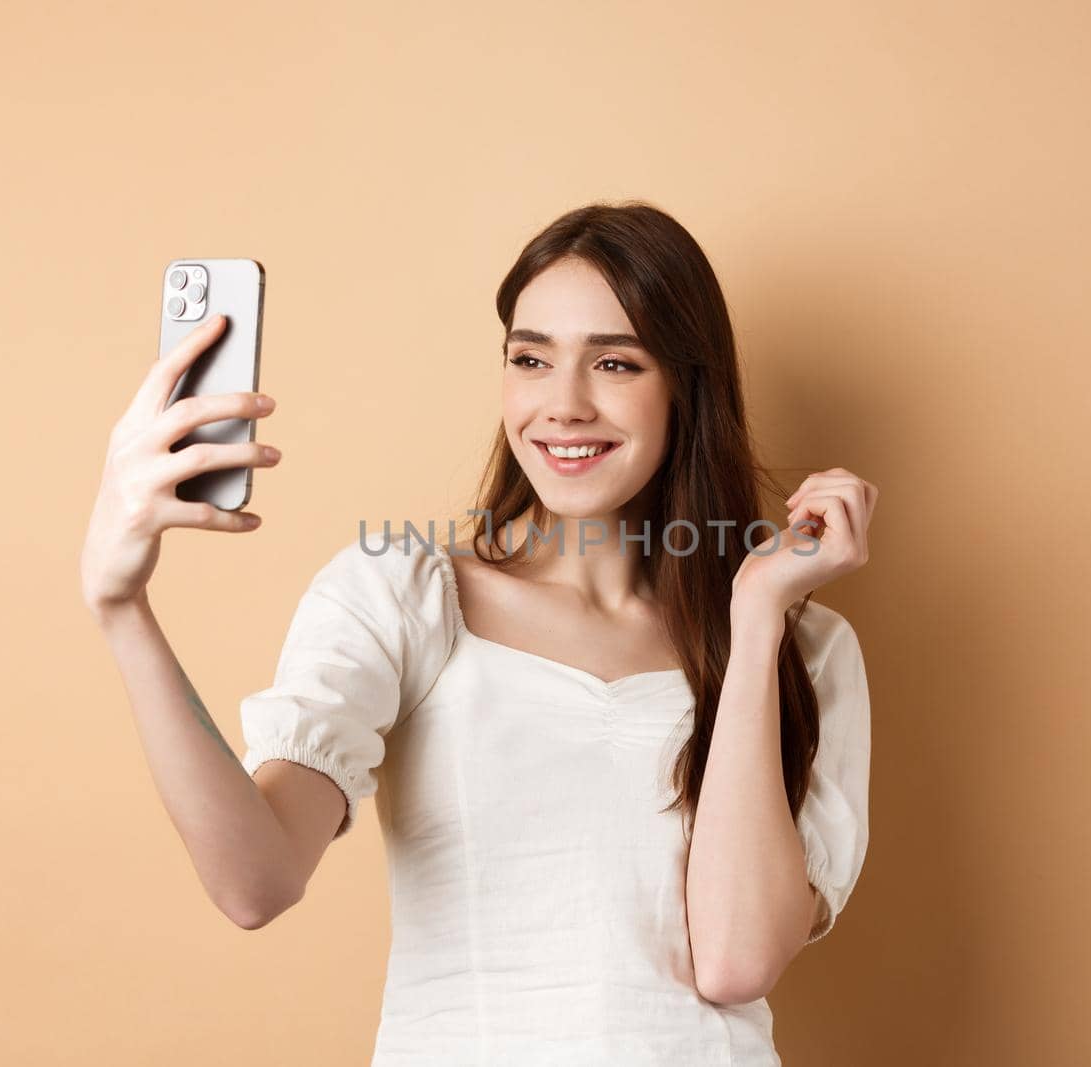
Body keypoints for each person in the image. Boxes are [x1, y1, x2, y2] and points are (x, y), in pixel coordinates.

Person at [80, 200, 877, 1065]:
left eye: (615, 362)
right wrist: (124, 611)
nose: (563, 406)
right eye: (530, 358)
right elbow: (254, 880)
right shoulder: (404, 597)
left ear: (689, 384)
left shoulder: (805, 648)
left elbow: (733, 959)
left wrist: (756, 621)